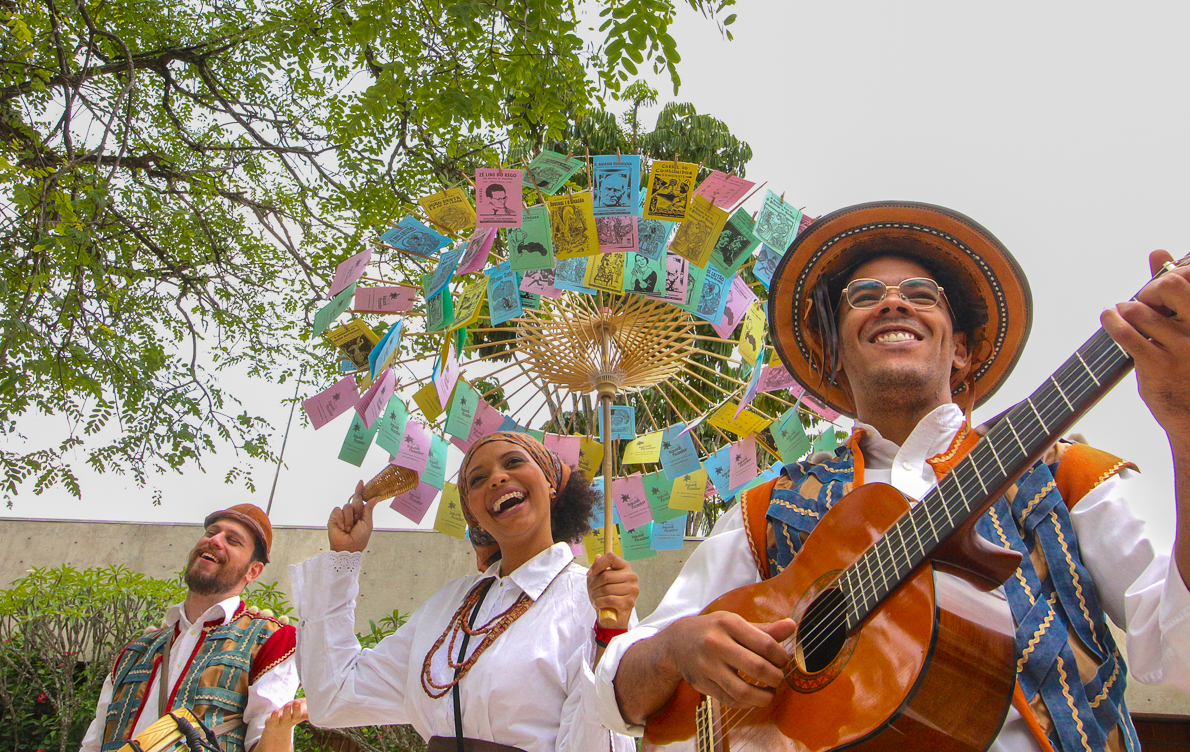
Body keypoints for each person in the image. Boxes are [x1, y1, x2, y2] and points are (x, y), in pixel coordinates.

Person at [595, 201, 1190, 752]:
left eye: (922, 294)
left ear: (960, 350)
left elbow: (1180, 650)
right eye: (864, 295)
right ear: (836, 352)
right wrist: (676, 647)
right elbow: (615, 696)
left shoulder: (1064, 476)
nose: (893, 302)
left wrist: (1186, 427)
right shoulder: (766, 509)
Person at [292, 431, 640, 752]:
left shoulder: (594, 601)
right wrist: (343, 560)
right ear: (473, 514)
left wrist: (608, 636)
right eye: (477, 479)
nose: (498, 478)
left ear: (550, 483)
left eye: (514, 462)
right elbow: (334, 697)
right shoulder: (446, 606)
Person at [80, 504, 303, 752]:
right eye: (211, 532)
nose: (215, 540)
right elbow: (92, 744)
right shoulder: (134, 652)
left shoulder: (273, 641)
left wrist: (280, 728)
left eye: (233, 540)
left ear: (253, 571)